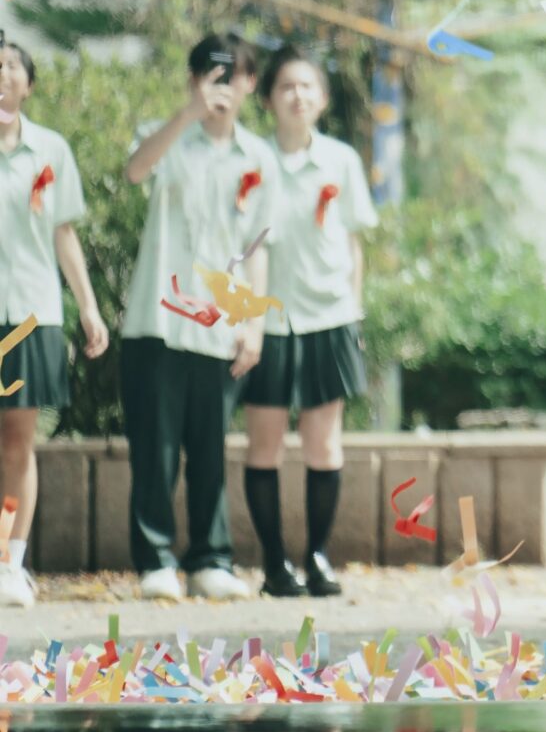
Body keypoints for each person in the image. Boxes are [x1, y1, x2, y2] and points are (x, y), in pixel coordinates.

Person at [121, 32, 277, 602]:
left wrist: (254, 324)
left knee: (211, 448)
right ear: (193, 79)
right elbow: (136, 170)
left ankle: (211, 560)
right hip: (157, 320)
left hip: (220, 326)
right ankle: (156, 561)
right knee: (155, 449)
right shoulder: (167, 136)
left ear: (250, 83)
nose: (221, 86)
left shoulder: (258, 158)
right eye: (210, 74)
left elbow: (258, 246)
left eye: (232, 75)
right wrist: (187, 114)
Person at [238, 45, 379, 599]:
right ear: (268, 99)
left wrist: (354, 311)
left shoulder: (341, 160)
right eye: (286, 86)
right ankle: (274, 564)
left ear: (322, 98)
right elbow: (245, 244)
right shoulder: (253, 159)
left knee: (324, 445)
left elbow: (353, 243)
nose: (297, 96)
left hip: (329, 316)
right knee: (264, 445)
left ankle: (318, 557)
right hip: (269, 321)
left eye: (307, 86)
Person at [0, 34, 109, 609]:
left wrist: (87, 305)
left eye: (11, 67)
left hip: (30, 313)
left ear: (29, 84)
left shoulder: (51, 149)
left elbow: (64, 231)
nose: (2, 75)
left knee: (18, 441)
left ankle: (9, 562)